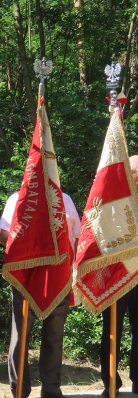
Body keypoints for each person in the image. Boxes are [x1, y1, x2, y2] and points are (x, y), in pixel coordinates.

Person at [0, 191, 80, 398]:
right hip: (27, 277)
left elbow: (77, 238)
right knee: (21, 335)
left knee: (54, 336)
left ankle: (51, 390)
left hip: (58, 276)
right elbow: (4, 236)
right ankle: (19, 390)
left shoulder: (65, 199)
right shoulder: (18, 198)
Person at [100, 155, 138, 398]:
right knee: (111, 328)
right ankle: (110, 382)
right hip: (116, 271)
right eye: (135, 170)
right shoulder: (113, 199)